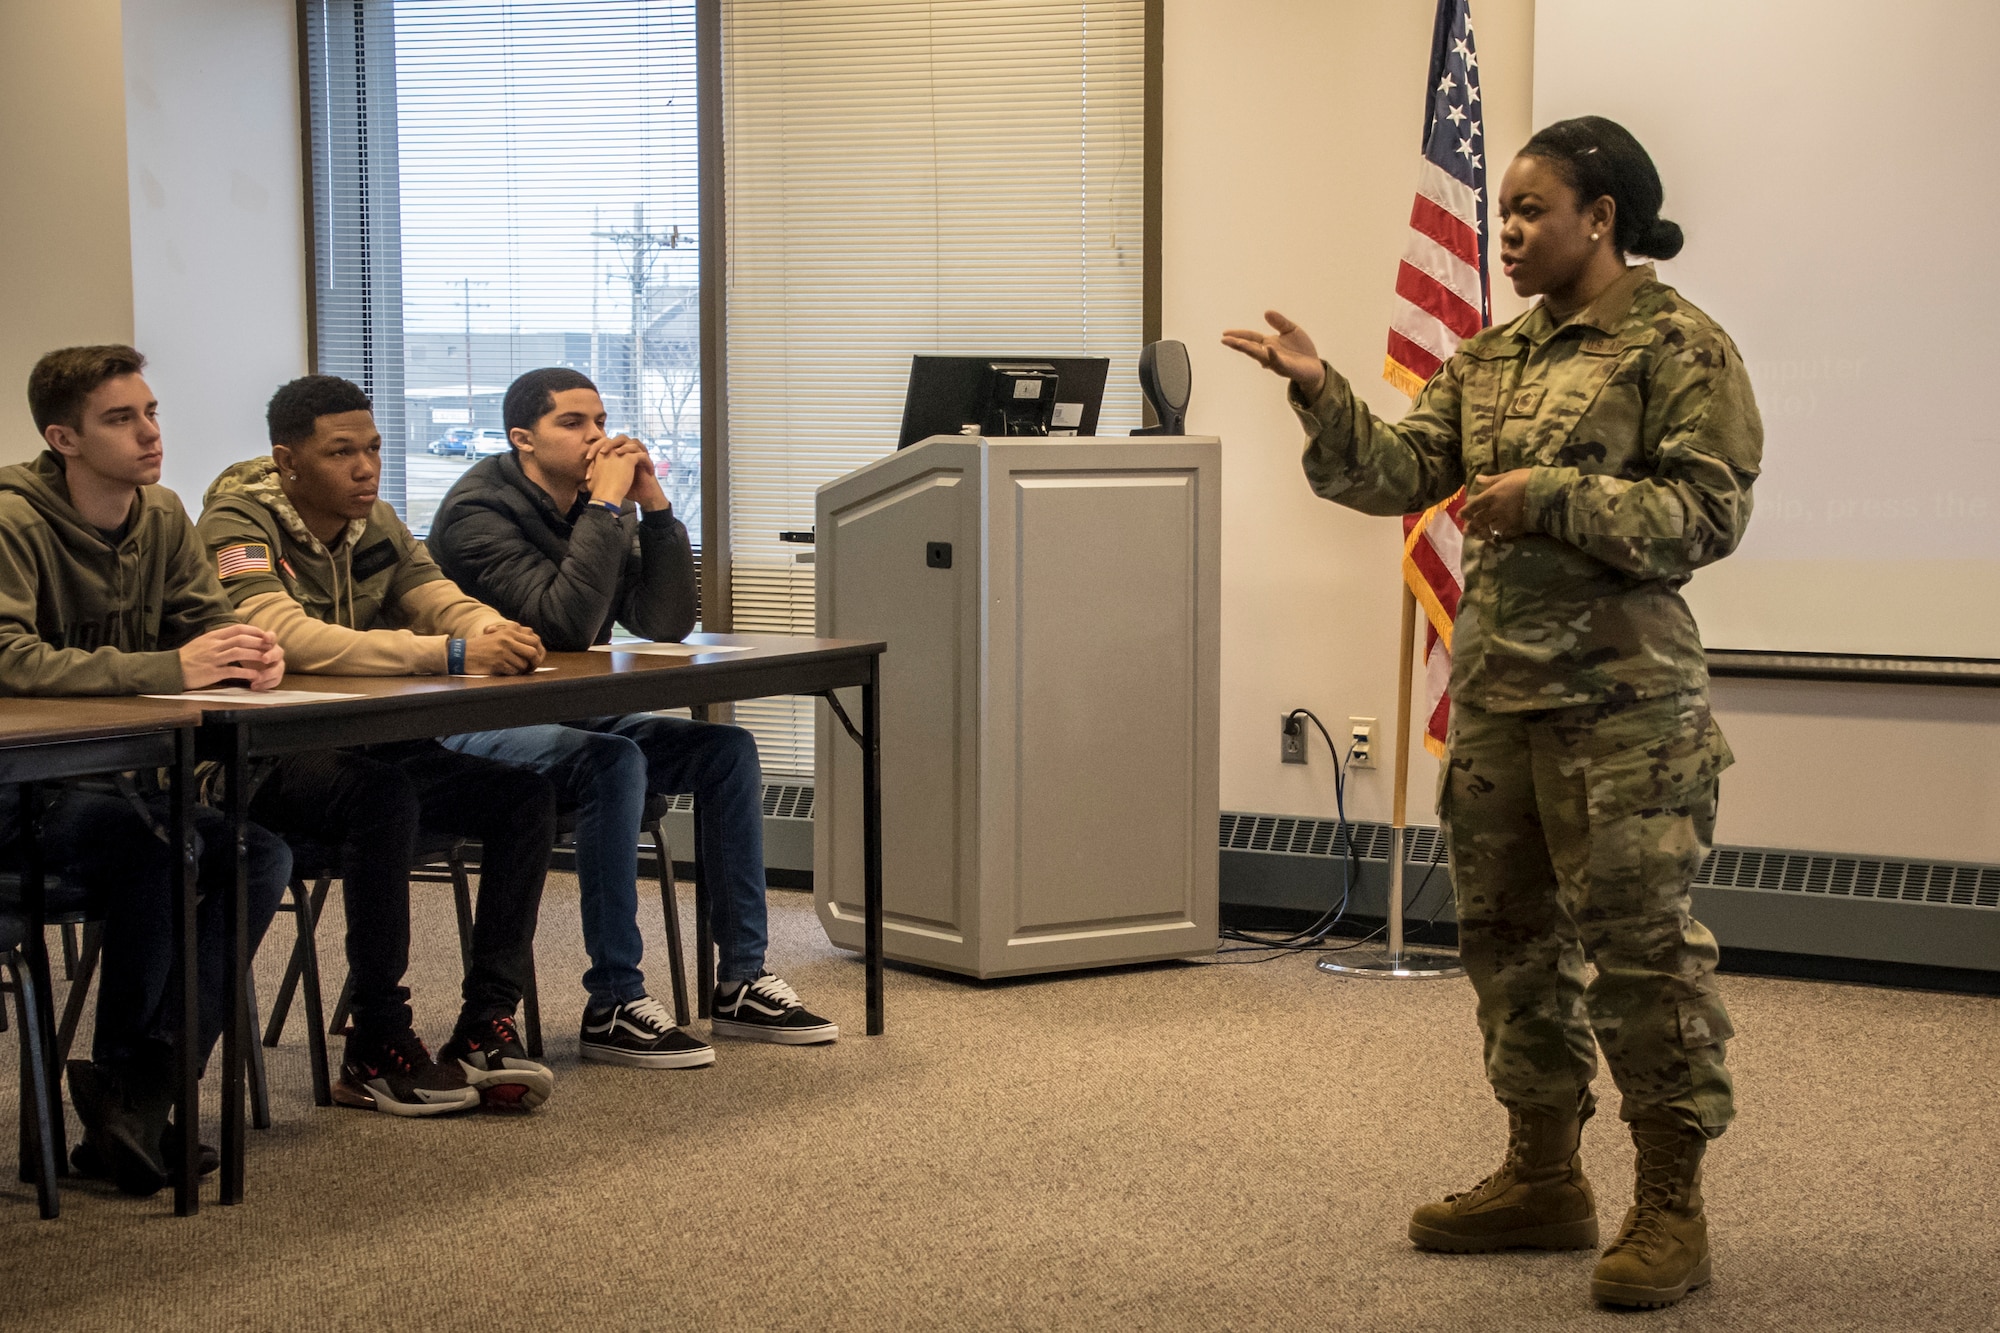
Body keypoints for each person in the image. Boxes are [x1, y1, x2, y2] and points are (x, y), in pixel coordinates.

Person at [1224, 116, 1760, 1310]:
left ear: (1599, 216)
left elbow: (1705, 517)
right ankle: (1542, 1174)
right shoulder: (1491, 355)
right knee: (1509, 949)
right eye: (1504, 212)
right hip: (1501, 707)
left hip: (1625, 719)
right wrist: (1319, 392)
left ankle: (1668, 1201)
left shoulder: (1680, 348)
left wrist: (1552, 496)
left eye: (1529, 212)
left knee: (1639, 957)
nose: (1506, 233)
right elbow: (1398, 475)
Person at [427, 367, 837, 1066]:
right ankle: (614, 999)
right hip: (466, 729)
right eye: (574, 423)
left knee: (727, 749)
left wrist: (654, 508)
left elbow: (666, 622)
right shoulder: (477, 514)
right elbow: (564, 624)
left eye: (601, 419)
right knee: (613, 761)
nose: (599, 438)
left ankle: (741, 978)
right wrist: (609, 508)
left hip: (567, 714)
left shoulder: (599, 505)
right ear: (522, 439)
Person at [195, 374, 561, 1117]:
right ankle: (377, 1041)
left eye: (373, 448)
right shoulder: (237, 524)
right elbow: (285, 637)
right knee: (382, 796)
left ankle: (485, 1026)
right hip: (257, 760)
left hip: (366, 745)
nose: (366, 467)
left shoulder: (377, 522)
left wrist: (491, 631)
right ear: (288, 461)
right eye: (341, 453)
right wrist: (448, 657)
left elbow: (438, 599)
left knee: (525, 797)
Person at [0, 344, 290, 1194]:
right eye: (121, 419)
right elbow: (9, 657)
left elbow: (203, 622)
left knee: (256, 851)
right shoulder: (13, 521)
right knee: (163, 848)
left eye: (152, 412)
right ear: (65, 438)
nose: (150, 433)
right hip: (27, 791)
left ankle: (140, 1087)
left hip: (122, 783)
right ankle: (132, 1091)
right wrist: (172, 670)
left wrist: (248, 655)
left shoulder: (161, 514)